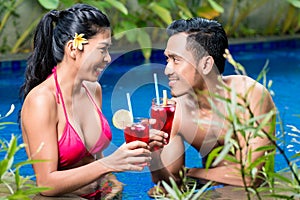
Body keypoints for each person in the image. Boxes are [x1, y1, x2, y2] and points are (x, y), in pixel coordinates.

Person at [19, 3, 151, 199]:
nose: (107, 59)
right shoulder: (42, 101)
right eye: (102, 50)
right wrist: (109, 164)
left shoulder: (92, 89)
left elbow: (94, 155)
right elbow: (45, 184)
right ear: (73, 48)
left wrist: (111, 177)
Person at [148, 17, 276, 194]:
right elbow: (171, 184)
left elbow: (253, 176)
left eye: (176, 60)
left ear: (206, 64)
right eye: (167, 59)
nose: (167, 70)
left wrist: (191, 174)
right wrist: (153, 153)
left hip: (257, 194)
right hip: (216, 189)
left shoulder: (249, 96)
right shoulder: (175, 111)